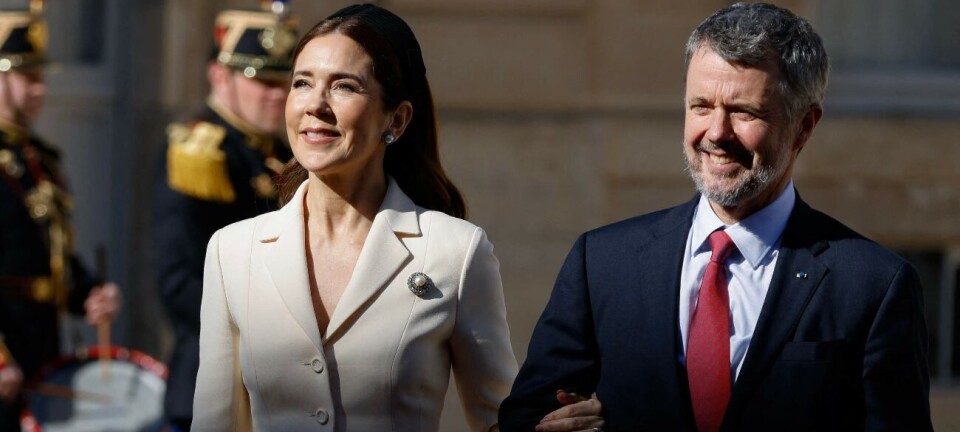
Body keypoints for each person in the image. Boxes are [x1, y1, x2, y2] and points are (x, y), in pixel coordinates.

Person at [500, 3, 932, 431]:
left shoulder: (872, 285)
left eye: (744, 112)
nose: (717, 133)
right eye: (701, 106)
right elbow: (525, 416)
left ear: (804, 126)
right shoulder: (603, 263)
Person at [153, 2, 297, 430]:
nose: (277, 94)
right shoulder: (198, 150)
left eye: (284, 81)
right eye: (261, 80)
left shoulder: (286, 153)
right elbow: (179, 282)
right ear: (220, 75)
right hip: (217, 380)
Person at [0, 3, 121, 430]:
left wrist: (87, 293)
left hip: (39, 350)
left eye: (41, 76)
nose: (40, 89)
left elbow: (47, 256)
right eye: (27, 76)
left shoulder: (41, 160)